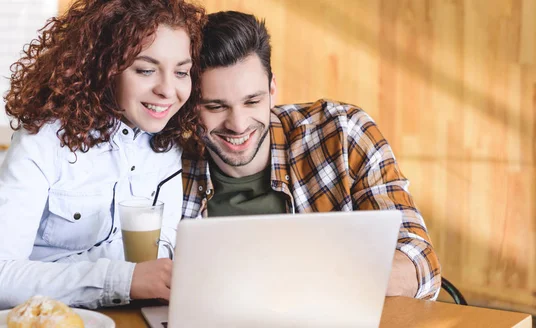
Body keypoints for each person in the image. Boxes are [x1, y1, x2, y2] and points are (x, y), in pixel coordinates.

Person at [0, 0, 206, 320]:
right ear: (104, 65)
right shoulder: (44, 140)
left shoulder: (167, 143)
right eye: (146, 69)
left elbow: (162, 255)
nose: (168, 89)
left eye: (181, 72)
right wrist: (123, 279)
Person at [180, 11, 441, 300]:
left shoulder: (342, 133)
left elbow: (420, 264)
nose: (238, 124)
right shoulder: (166, 164)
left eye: (253, 101)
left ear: (272, 89)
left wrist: (305, 283)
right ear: (190, 104)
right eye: (216, 107)